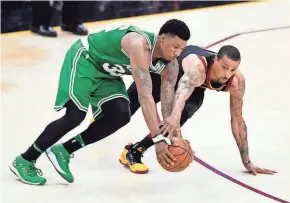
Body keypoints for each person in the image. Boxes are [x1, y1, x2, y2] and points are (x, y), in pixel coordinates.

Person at [10, 19, 191, 185]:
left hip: (108, 73)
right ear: (162, 38)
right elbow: (145, 95)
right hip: (86, 58)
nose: (177, 53)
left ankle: (64, 150)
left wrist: (173, 135)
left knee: (120, 115)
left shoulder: (171, 65)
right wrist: (157, 138)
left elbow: (167, 101)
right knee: (75, 116)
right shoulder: (139, 45)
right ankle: (25, 160)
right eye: (175, 46)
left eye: (181, 49)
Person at [119, 45, 277, 175]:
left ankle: (135, 150)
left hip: (194, 85)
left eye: (233, 69)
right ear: (215, 60)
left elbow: (237, 120)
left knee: (187, 110)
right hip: (164, 72)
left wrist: (247, 161)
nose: (227, 74)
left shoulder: (236, 81)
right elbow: (178, 99)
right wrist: (176, 131)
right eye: (224, 67)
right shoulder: (197, 69)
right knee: (122, 113)